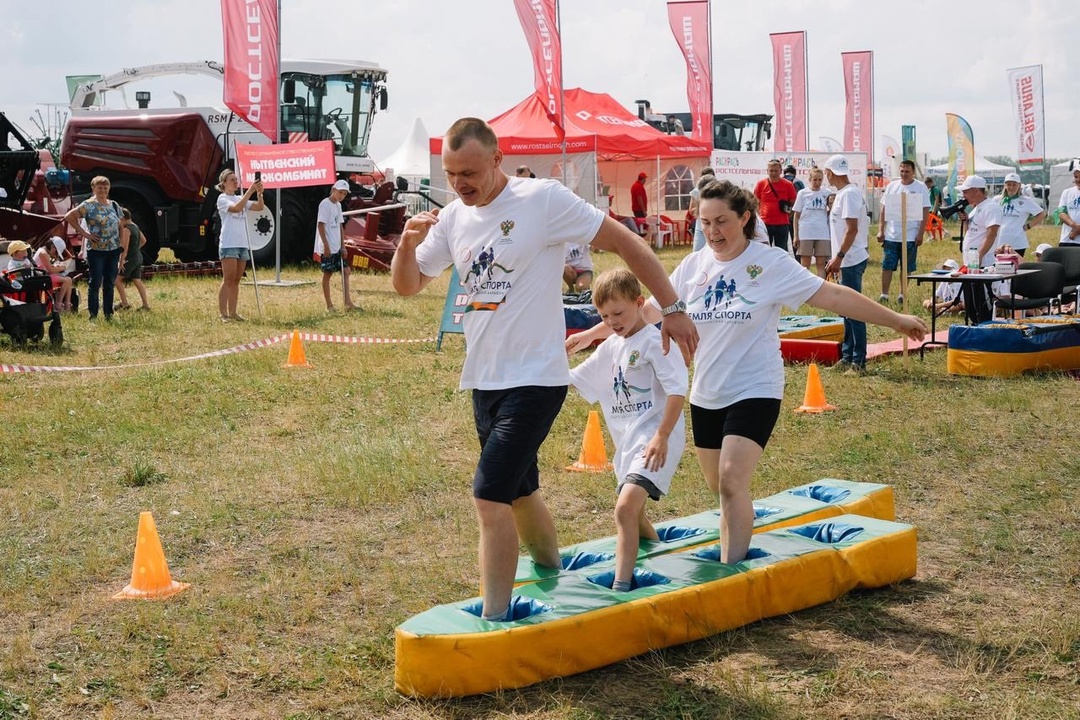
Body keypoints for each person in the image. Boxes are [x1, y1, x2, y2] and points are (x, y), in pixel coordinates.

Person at [390, 117, 698, 621]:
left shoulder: (543, 200)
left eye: (469, 172)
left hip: (536, 379)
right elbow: (408, 285)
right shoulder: (452, 218)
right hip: (484, 379)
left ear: (496, 160)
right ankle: (553, 573)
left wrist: (672, 306)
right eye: (451, 174)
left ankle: (494, 619)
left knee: (489, 497)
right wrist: (405, 243)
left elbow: (623, 242)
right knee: (519, 493)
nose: (460, 184)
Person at [569, 178, 925, 565]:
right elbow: (647, 311)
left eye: (721, 221)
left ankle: (732, 569)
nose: (712, 232)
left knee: (731, 480)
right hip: (706, 393)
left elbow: (834, 295)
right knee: (718, 488)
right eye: (704, 223)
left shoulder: (768, 264)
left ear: (744, 218)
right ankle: (725, 550)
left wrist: (895, 320)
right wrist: (592, 333)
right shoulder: (692, 267)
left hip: (755, 388)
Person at [567, 268, 687, 592]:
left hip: (656, 438)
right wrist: (545, 362)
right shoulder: (610, 346)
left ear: (638, 303)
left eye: (618, 313)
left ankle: (621, 585)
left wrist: (662, 435)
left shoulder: (654, 341)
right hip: (629, 442)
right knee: (636, 515)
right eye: (605, 316)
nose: (613, 322)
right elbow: (572, 379)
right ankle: (658, 553)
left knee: (624, 510)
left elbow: (677, 390)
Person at [822, 154, 873, 371]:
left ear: (831, 173)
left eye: (826, 173)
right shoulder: (843, 194)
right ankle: (847, 356)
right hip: (845, 260)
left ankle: (858, 361)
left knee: (854, 310)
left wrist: (839, 257)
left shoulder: (849, 195)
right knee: (846, 310)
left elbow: (852, 230)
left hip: (850, 260)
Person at [63, 175, 122, 320]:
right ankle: (93, 315)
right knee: (95, 282)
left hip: (113, 249)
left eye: (105, 188)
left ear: (109, 189)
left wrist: (120, 242)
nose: (102, 190)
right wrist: (84, 233)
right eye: (99, 187)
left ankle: (108, 313)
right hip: (96, 250)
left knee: (109, 282)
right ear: (93, 188)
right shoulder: (88, 205)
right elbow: (69, 216)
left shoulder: (114, 204)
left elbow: (121, 224)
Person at [876, 160, 930, 305]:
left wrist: (920, 233)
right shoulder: (892, 186)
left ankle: (902, 294)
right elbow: (884, 209)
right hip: (892, 236)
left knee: (906, 267)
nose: (904, 174)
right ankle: (884, 294)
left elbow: (925, 211)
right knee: (887, 266)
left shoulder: (920, 187)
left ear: (913, 172)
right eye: (902, 171)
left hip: (911, 236)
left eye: (907, 171)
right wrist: (881, 230)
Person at [215, 168, 264, 321]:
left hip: (242, 244)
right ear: (224, 183)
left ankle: (233, 312)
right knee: (228, 279)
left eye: (236, 180)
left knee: (236, 280)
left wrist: (260, 194)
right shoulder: (222, 199)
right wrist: (249, 191)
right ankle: (223, 313)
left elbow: (259, 207)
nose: (236, 182)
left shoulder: (239, 197)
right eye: (232, 180)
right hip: (229, 244)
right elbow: (236, 209)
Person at [957, 175, 1003, 323]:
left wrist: (980, 256)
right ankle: (975, 325)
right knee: (971, 301)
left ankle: (985, 327)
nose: (963, 196)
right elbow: (970, 233)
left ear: (976, 190)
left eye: (966, 192)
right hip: (971, 262)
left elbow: (992, 233)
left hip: (982, 263)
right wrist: (965, 221)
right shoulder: (976, 209)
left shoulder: (991, 207)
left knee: (982, 301)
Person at [315, 179, 357, 312]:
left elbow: (340, 226)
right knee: (328, 274)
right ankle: (329, 305)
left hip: (337, 246)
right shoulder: (325, 204)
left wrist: (343, 246)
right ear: (333, 190)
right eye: (340, 192)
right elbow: (320, 225)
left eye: (344, 194)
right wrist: (326, 246)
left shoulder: (338, 206)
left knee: (346, 271)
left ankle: (347, 302)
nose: (342, 196)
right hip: (328, 246)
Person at [792, 167, 832, 278]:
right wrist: (796, 235)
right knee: (805, 264)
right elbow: (796, 215)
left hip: (822, 233)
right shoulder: (802, 193)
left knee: (820, 263)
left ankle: (821, 289)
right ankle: (805, 288)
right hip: (806, 232)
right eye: (815, 180)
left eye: (820, 180)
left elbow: (832, 212)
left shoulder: (827, 193)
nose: (817, 183)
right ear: (810, 179)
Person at [996, 172, 1045, 257]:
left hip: (1017, 242)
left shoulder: (1026, 201)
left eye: (1014, 185)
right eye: (1009, 184)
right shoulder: (997, 200)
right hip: (998, 241)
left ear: (1019, 185)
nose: (1011, 187)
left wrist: (1028, 226)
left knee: (1015, 268)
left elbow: (1041, 214)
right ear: (1005, 185)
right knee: (997, 267)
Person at [753, 159, 797, 252]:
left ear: (781, 171)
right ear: (767, 171)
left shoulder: (788, 185)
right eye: (771, 170)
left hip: (782, 224)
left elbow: (793, 202)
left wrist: (789, 214)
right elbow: (755, 201)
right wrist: (759, 217)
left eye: (776, 171)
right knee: (763, 250)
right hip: (765, 223)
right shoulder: (761, 184)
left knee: (782, 251)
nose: (773, 173)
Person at [115, 208, 151, 311]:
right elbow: (144, 240)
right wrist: (135, 249)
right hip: (138, 257)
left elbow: (124, 248)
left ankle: (125, 304)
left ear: (123, 218)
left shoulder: (127, 230)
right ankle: (145, 305)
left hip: (130, 259)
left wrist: (121, 261)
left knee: (117, 280)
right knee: (137, 281)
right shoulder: (136, 226)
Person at [33, 237, 74, 311]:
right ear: (52, 247)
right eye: (56, 252)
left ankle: (67, 303)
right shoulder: (43, 253)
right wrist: (63, 267)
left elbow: (47, 268)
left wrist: (56, 267)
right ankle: (59, 304)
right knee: (66, 280)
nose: (55, 255)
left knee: (69, 279)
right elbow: (50, 270)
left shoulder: (43, 251)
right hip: (42, 278)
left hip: (44, 276)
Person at [687, 166, 714, 249]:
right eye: (706, 177)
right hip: (701, 228)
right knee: (697, 252)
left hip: (715, 228)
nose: (709, 179)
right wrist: (703, 207)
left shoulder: (718, 191)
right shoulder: (696, 191)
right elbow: (691, 210)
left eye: (711, 177)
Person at [1056, 159, 1080, 247]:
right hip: (1067, 239)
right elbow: (1061, 213)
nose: (1078, 180)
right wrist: (1073, 225)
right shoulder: (1067, 192)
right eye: (1076, 177)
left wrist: (1078, 230)